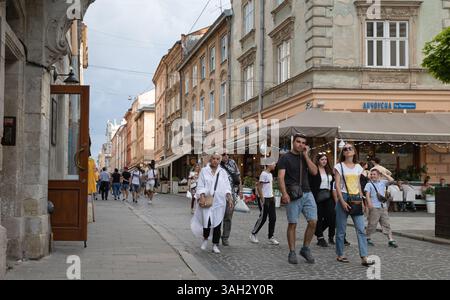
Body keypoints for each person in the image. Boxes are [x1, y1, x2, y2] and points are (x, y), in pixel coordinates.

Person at [278, 134, 318, 265]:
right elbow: (280, 177)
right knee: (293, 223)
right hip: (293, 194)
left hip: (307, 193)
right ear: (293, 142)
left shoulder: (305, 157)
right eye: (298, 142)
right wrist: (284, 194)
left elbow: (314, 172)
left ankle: (305, 248)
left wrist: (306, 156)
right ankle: (292, 252)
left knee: (313, 222)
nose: (300, 144)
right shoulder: (285, 158)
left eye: (303, 143)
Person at [334, 143, 375, 267]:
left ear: (354, 152)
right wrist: (341, 201)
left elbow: (358, 184)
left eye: (349, 148)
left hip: (356, 197)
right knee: (341, 230)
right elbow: (337, 185)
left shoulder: (358, 167)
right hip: (344, 196)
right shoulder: (339, 166)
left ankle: (364, 257)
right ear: (343, 152)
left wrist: (362, 200)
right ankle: (340, 254)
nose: (347, 150)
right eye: (345, 149)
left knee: (361, 229)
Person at [191, 153, 234, 254]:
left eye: (217, 159)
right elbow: (200, 185)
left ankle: (215, 244)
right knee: (207, 222)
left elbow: (227, 186)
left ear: (220, 160)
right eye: (213, 158)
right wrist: (201, 195)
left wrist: (229, 198)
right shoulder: (204, 171)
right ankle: (205, 240)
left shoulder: (223, 172)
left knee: (217, 223)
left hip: (219, 202)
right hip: (207, 200)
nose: (215, 160)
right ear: (210, 159)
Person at [365, 168, 398, 248]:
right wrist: (370, 204)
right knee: (372, 224)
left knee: (386, 224)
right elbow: (367, 195)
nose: (372, 176)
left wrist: (384, 174)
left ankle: (390, 240)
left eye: (374, 174)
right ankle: (367, 238)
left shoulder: (383, 183)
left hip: (383, 207)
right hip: (374, 207)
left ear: (378, 175)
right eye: (371, 174)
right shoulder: (369, 184)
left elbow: (392, 181)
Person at [250, 161, 279, 246]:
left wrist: (273, 196)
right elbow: (259, 187)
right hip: (264, 198)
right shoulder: (263, 174)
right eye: (273, 164)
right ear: (269, 164)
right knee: (263, 218)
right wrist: (262, 199)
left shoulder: (270, 174)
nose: (275, 165)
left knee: (273, 218)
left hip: (270, 198)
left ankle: (271, 237)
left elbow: (271, 186)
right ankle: (253, 234)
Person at [310, 153, 335, 248]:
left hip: (328, 195)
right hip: (318, 195)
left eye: (325, 159)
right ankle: (320, 237)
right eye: (322, 159)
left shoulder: (329, 170)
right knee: (319, 217)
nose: (324, 161)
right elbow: (312, 183)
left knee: (332, 217)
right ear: (318, 160)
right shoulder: (314, 170)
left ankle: (318, 231)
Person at [220, 152, 243, 246]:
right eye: (223, 154)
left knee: (228, 216)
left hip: (232, 193)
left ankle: (225, 237)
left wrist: (240, 190)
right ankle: (216, 236)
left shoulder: (232, 162)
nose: (225, 156)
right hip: (220, 194)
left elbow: (238, 176)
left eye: (227, 154)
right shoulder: (217, 164)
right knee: (218, 216)